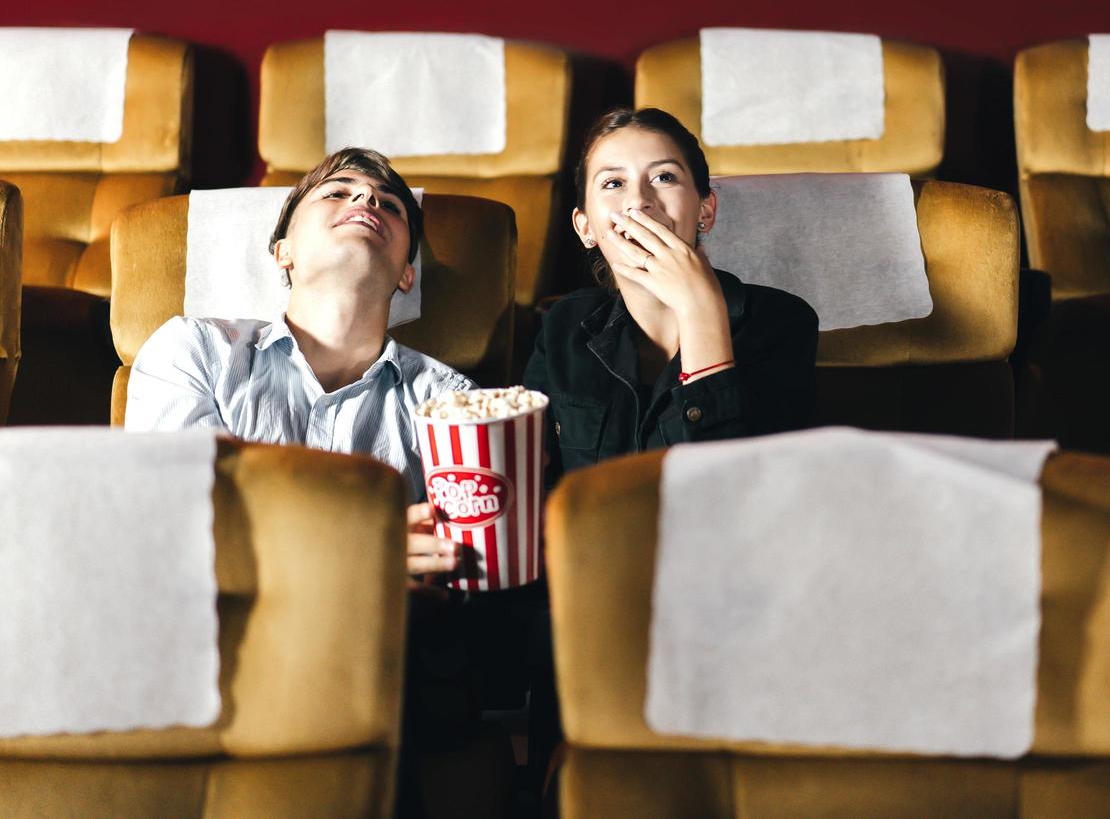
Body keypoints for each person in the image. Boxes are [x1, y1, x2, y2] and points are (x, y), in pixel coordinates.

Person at [125, 147, 466, 589]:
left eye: (390, 204)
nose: (366, 198)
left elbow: (460, 569)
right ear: (284, 251)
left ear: (406, 274)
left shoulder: (454, 403)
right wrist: (364, 548)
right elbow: (174, 518)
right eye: (337, 192)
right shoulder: (192, 350)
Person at [525, 106, 819, 488]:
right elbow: (529, 478)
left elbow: (736, 493)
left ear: (705, 210)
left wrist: (702, 313)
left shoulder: (781, 322)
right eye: (613, 183)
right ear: (585, 228)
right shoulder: (563, 326)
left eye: (664, 177)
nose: (639, 202)